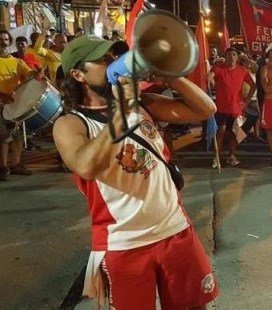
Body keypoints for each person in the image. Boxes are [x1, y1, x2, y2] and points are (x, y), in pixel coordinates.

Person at [52, 35, 219, 309]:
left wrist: (170, 76)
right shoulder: (71, 124)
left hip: (175, 230)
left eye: (115, 57)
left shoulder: (145, 104)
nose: (114, 63)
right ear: (78, 74)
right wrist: (122, 114)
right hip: (124, 244)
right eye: (103, 60)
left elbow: (206, 109)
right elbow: (86, 165)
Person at [210, 47, 256, 167]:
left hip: (237, 109)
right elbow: (210, 75)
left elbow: (253, 85)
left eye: (234, 55)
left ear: (237, 57)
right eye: (229, 55)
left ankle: (232, 155)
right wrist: (209, 78)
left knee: (236, 133)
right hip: (221, 108)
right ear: (225, 57)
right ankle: (217, 157)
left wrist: (246, 101)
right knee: (221, 132)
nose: (231, 57)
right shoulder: (219, 68)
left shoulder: (242, 71)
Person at [0, 30, 36, 181]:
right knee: (3, 137)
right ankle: (2, 167)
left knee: (18, 136)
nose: (3, 42)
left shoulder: (17, 62)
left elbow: (29, 74)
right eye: (1, 39)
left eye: (6, 39)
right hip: (1, 103)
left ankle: (15, 164)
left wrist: (37, 73)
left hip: (15, 104)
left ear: (10, 41)